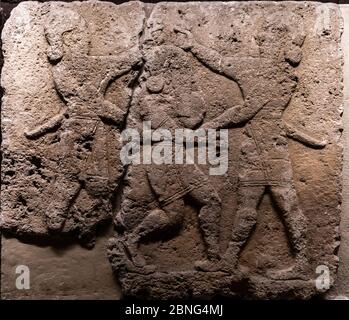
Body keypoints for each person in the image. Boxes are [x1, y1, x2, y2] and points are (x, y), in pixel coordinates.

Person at [174, 13, 327, 279]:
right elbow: (223, 64)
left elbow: (248, 109)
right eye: (261, 39)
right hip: (255, 147)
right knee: (247, 207)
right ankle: (230, 260)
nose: (260, 42)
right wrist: (194, 46)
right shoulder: (257, 68)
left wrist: (212, 125)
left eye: (266, 39)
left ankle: (303, 263)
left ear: (279, 43)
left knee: (286, 203)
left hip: (270, 148)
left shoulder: (281, 76)